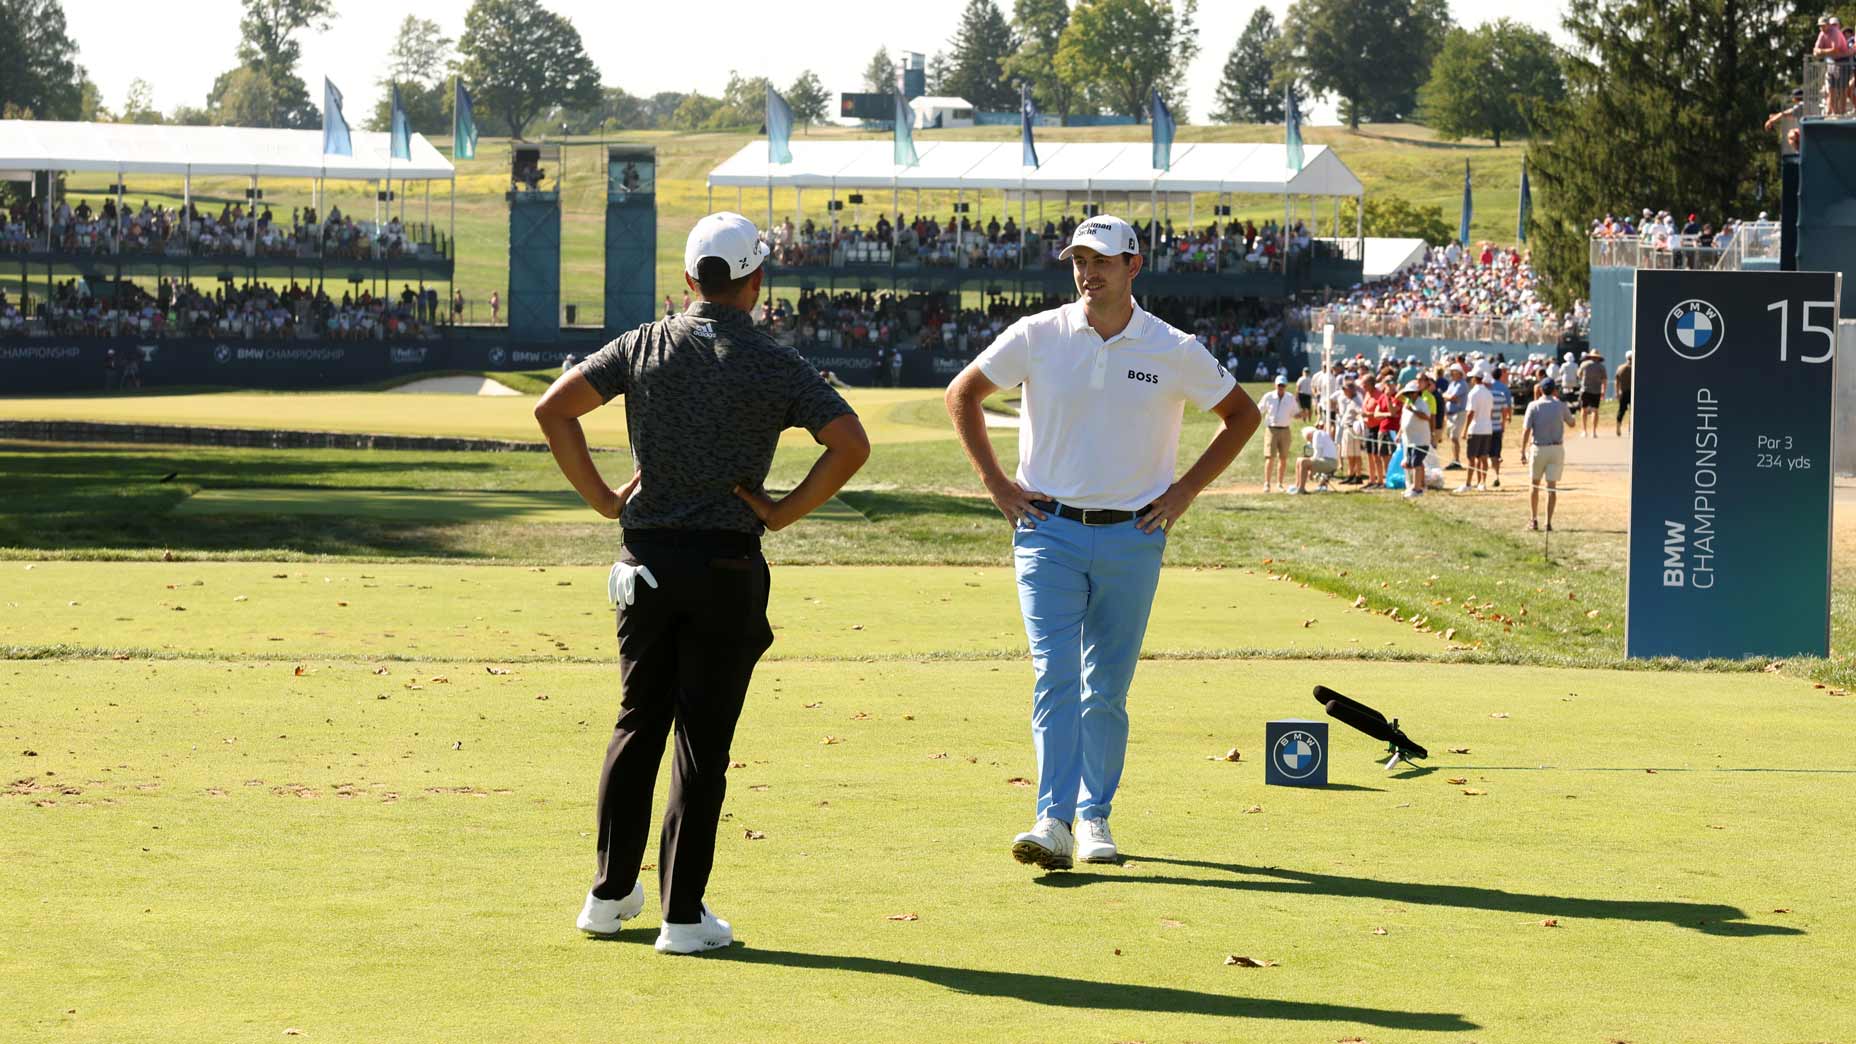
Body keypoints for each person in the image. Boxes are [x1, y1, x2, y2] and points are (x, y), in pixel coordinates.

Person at [536, 212, 870, 953]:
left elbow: (553, 409)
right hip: (725, 565)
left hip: (645, 563)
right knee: (701, 744)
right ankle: (682, 915)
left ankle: (609, 895)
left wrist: (601, 499)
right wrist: (782, 513)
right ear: (756, 281)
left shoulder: (643, 344)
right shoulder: (777, 363)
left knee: (636, 724)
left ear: (689, 279)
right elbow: (851, 445)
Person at [944, 214, 1257, 870]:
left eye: (1102, 261)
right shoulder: (1039, 334)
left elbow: (1241, 415)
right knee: (1055, 675)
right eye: (1079, 260)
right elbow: (963, 394)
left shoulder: (1171, 347)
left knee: (1105, 689)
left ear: (1133, 266)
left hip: (1132, 537)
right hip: (1047, 532)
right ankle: (1053, 819)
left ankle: (1094, 816)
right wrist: (999, 486)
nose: (1088, 272)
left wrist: (1184, 492)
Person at [1521, 378, 1574, 531]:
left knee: (1534, 485)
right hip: (1556, 449)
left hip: (1538, 448)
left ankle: (1534, 519)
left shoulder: (1533, 405)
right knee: (1551, 488)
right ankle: (1548, 522)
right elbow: (1571, 423)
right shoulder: (1560, 405)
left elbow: (1526, 430)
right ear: (1554, 390)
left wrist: (1522, 451)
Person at [1258, 374, 1299, 491]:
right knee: (1270, 457)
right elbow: (1260, 409)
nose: (1281, 387)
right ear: (1275, 385)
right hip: (1271, 429)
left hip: (1285, 429)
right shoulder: (1268, 397)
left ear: (1285, 386)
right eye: (1279, 385)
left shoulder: (1290, 398)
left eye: (1283, 385)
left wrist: (1300, 415)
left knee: (1283, 458)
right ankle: (1267, 483)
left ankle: (1280, 483)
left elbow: (1295, 412)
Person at [1459, 366, 1494, 492]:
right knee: (1483, 457)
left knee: (1471, 458)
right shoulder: (1488, 393)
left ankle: (1468, 483)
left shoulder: (1473, 393)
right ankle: (1482, 482)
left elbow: (1470, 413)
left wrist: (1464, 430)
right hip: (1487, 428)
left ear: (1474, 379)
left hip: (1476, 428)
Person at [1397, 379, 1431, 499]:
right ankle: (1416, 485)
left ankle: (1417, 489)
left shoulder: (1421, 403)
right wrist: (1399, 433)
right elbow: (1404, 421)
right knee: (1412, 464)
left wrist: (1413, 410)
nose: (1408, 395)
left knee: (1416, 463)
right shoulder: (1408, 403)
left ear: (1416, 393)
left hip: (1420, 440)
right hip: (1411, 440)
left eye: (1411, 393)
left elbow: (1426, 416)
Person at [1288, 424, 1338, 494]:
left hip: (1330, 462)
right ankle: (1297, 486)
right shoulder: (1319, 434)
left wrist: (1311, 469)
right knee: (1299, 460)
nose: (1309, 441)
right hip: (1326, 460)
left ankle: (1301, 489)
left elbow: (1317, 454)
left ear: (1309, 434)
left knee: (1303, 461)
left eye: (1308, 439)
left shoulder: (1317, 434)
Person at [1487, 364, 1513, 489]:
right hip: (1498, 425)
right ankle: (1496, 475)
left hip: (1486, 426)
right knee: (1496, 452)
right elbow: (1507, 406)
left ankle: (1483, 478)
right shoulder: (1504, 389)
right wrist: (1508, 418)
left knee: (1484, 453)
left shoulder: (1488, 389)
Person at [1577, 351, 1607, 437]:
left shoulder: (1584, 364)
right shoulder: (1601, 367)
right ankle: (1594, 432)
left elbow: (1578, 374)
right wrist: (1603, 391)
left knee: (1584, 409)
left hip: (1585, 390)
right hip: (1596, 391)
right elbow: (1604, 380)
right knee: (1595, 410)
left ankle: (1584, 431)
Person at [1614, 351, 1633, 436]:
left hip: (1623, 392)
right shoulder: (1635, 368)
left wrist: (1617, 392)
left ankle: (1618, 425)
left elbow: (1617, 382)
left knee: (1621, 410)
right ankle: (1631, 429)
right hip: (1633, 393)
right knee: (1632, 412)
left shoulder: (1620, 368)